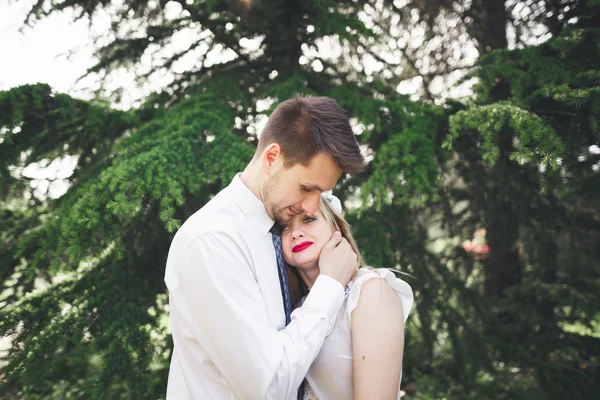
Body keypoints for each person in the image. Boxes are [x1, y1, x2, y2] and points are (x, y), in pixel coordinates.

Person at [164, 95, 366, 399]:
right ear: (272, 158)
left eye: (322, 192)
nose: (313, 205)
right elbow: (267, 387)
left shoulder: (282, 234)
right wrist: (328, 287)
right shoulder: (213, 241)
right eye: (307, 188)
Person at [282, 192, 414, 400]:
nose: (296, 232)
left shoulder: (369, 290)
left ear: (336, 228)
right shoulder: (295, 309)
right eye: (284, 226)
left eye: (309, 219)